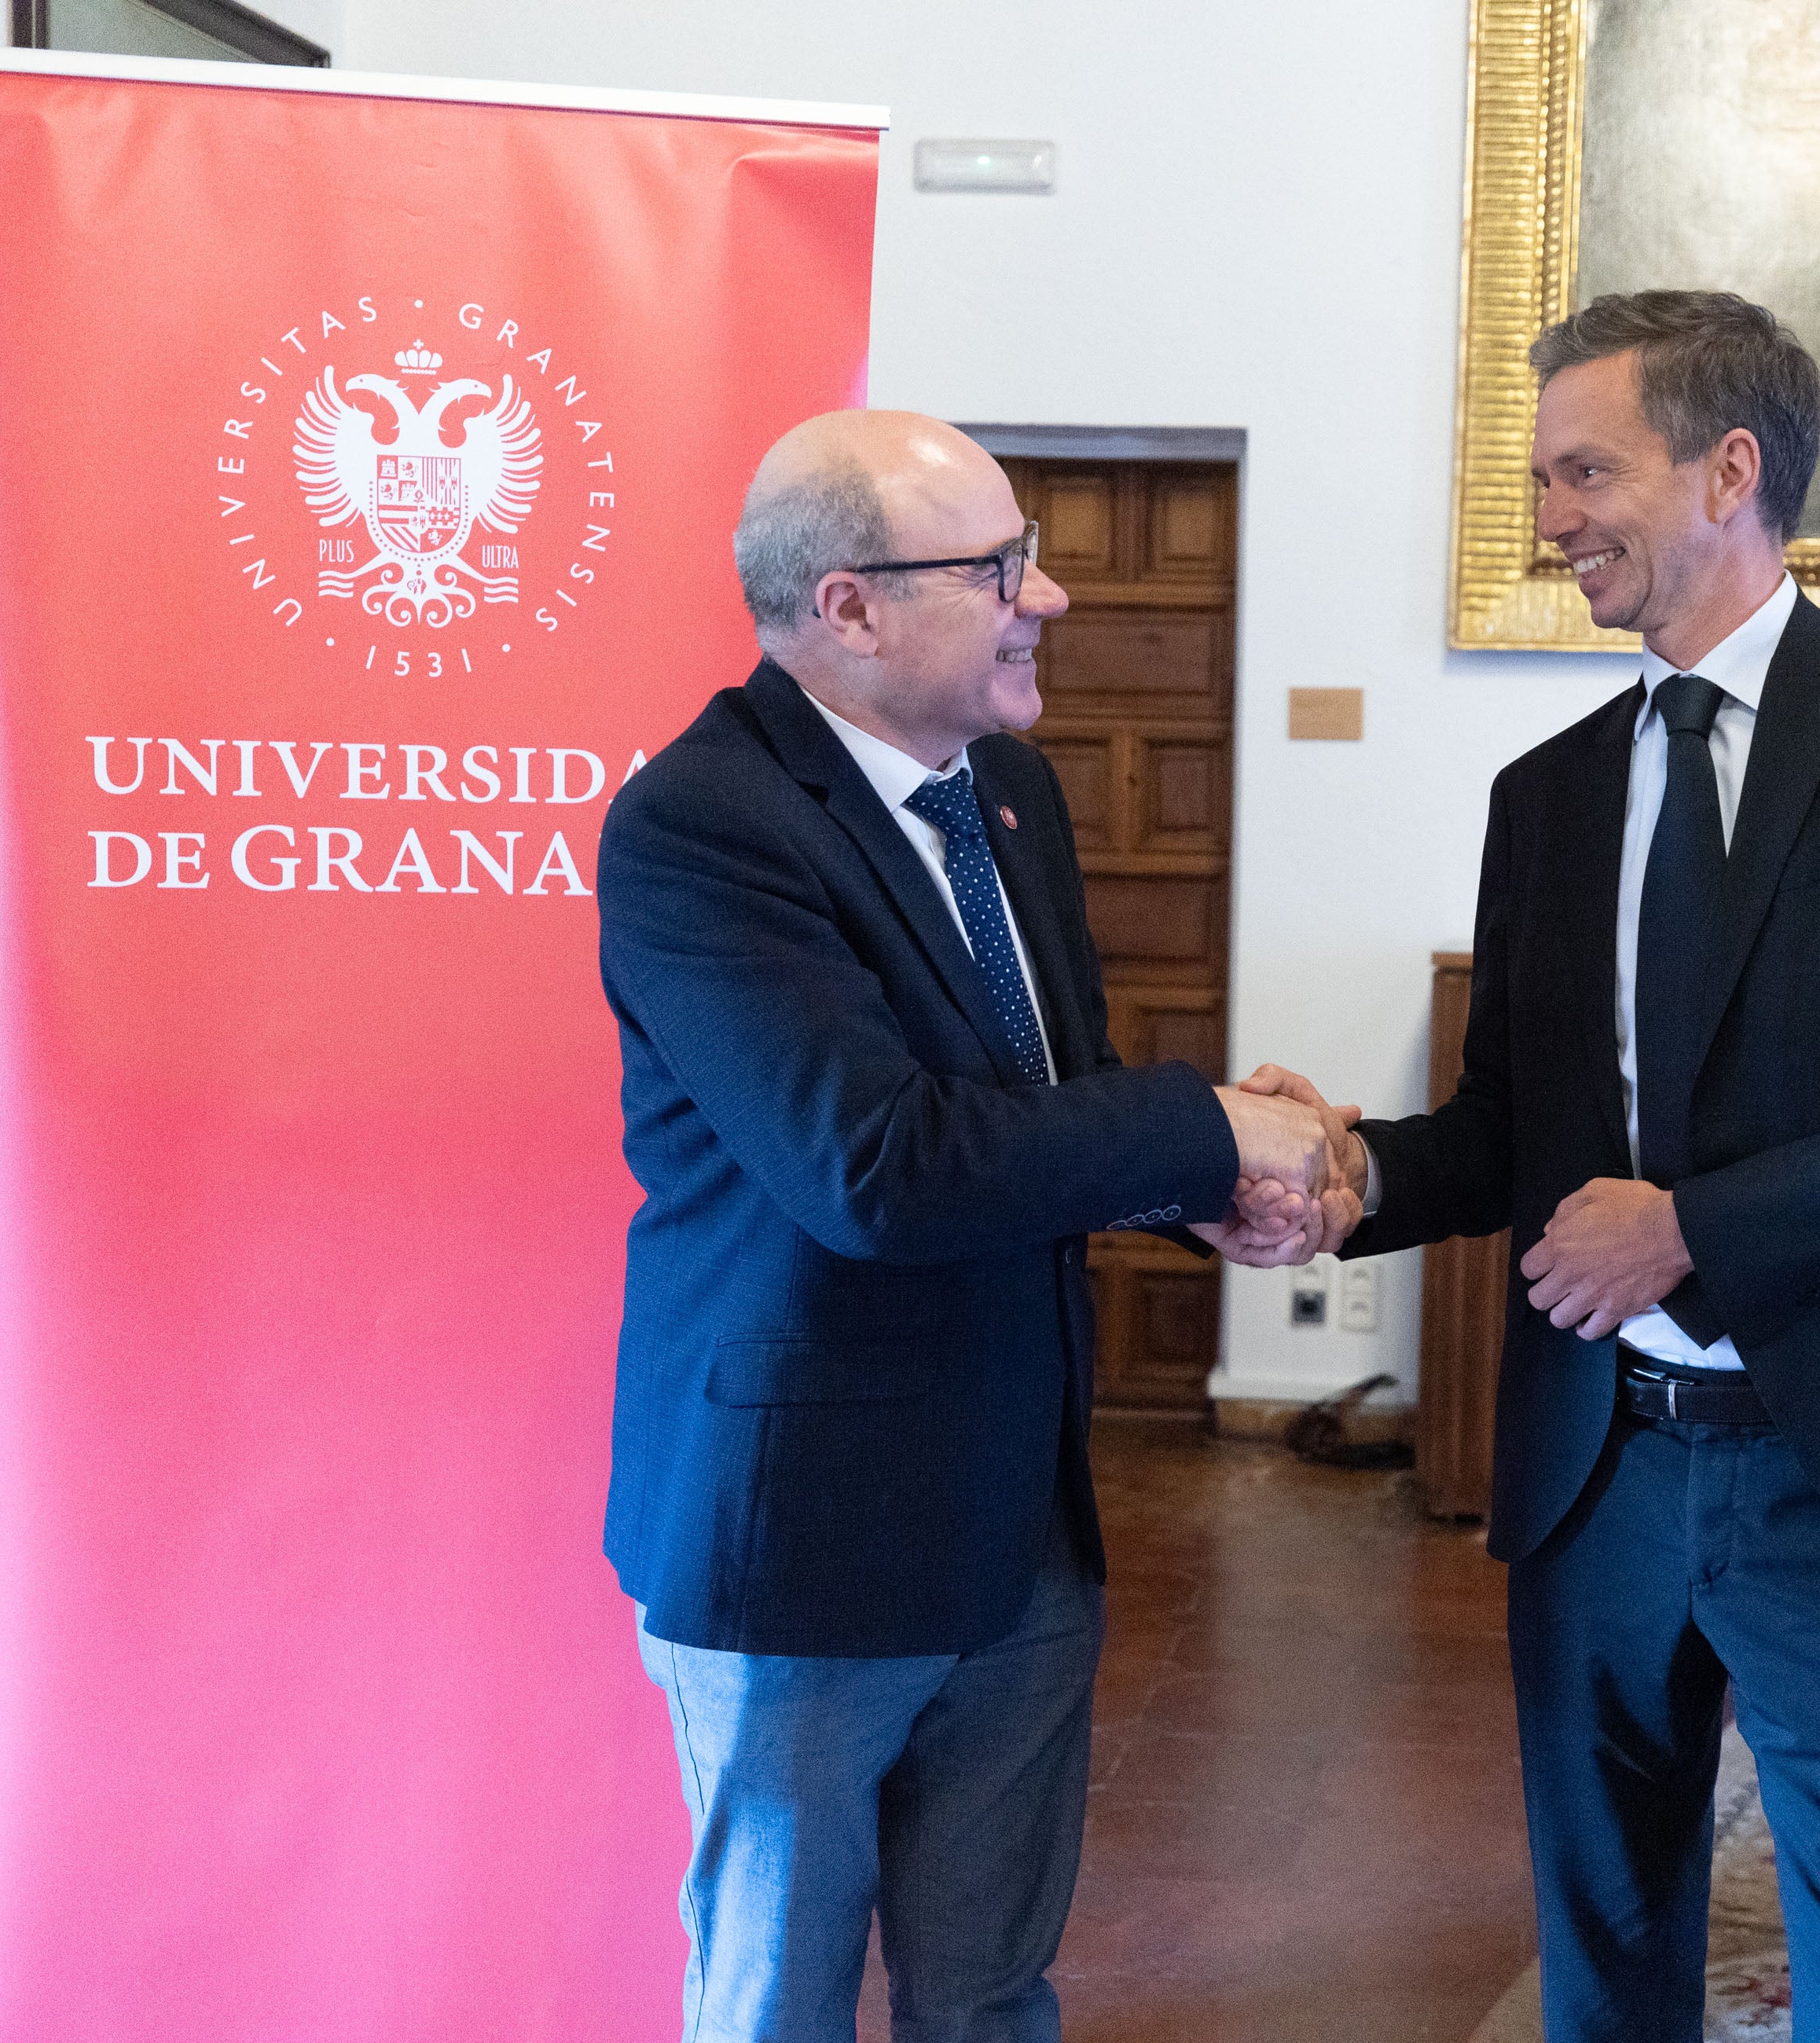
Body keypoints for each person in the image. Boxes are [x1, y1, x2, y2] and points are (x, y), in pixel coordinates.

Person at [1265, 291, 1820, 2040]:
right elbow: (1513, 1130)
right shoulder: (1547, 794)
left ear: (1730, 469)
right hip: (1599, 1482)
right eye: (1542, 478)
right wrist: (1348, 1173)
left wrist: (1691, 1233)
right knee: (1606, 1954)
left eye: (1585, 470)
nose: (1551, 515)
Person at [596, 410, 1353, 2043]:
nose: (1052, 596)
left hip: (1020, 1520)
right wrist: (1205, 1121)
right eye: (1001, 566)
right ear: (849, 606)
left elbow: (1036, 1101)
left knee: (993, 1991)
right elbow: (875, 1164)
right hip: (801, 1544)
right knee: (778, 2002)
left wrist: (1205, 1191)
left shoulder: (1005, 788)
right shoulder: (703, 826)